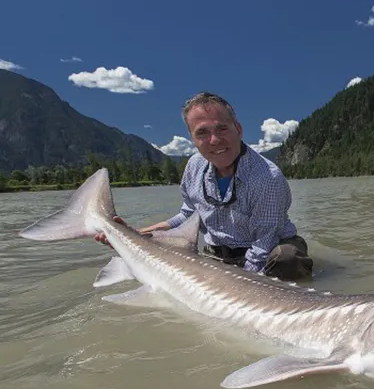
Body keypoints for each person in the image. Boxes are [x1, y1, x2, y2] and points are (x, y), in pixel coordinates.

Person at [96, 92, 313, 281]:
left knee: (287, 259)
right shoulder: (194, 166)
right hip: (218, 254)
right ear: (192, 138)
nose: (214, 140)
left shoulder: (267, 177)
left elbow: (263, 245)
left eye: (222, 128)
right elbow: (187, 217)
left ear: (238, 129)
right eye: (202, 133)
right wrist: (135, 233)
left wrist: (243, 285)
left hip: (268, 249)